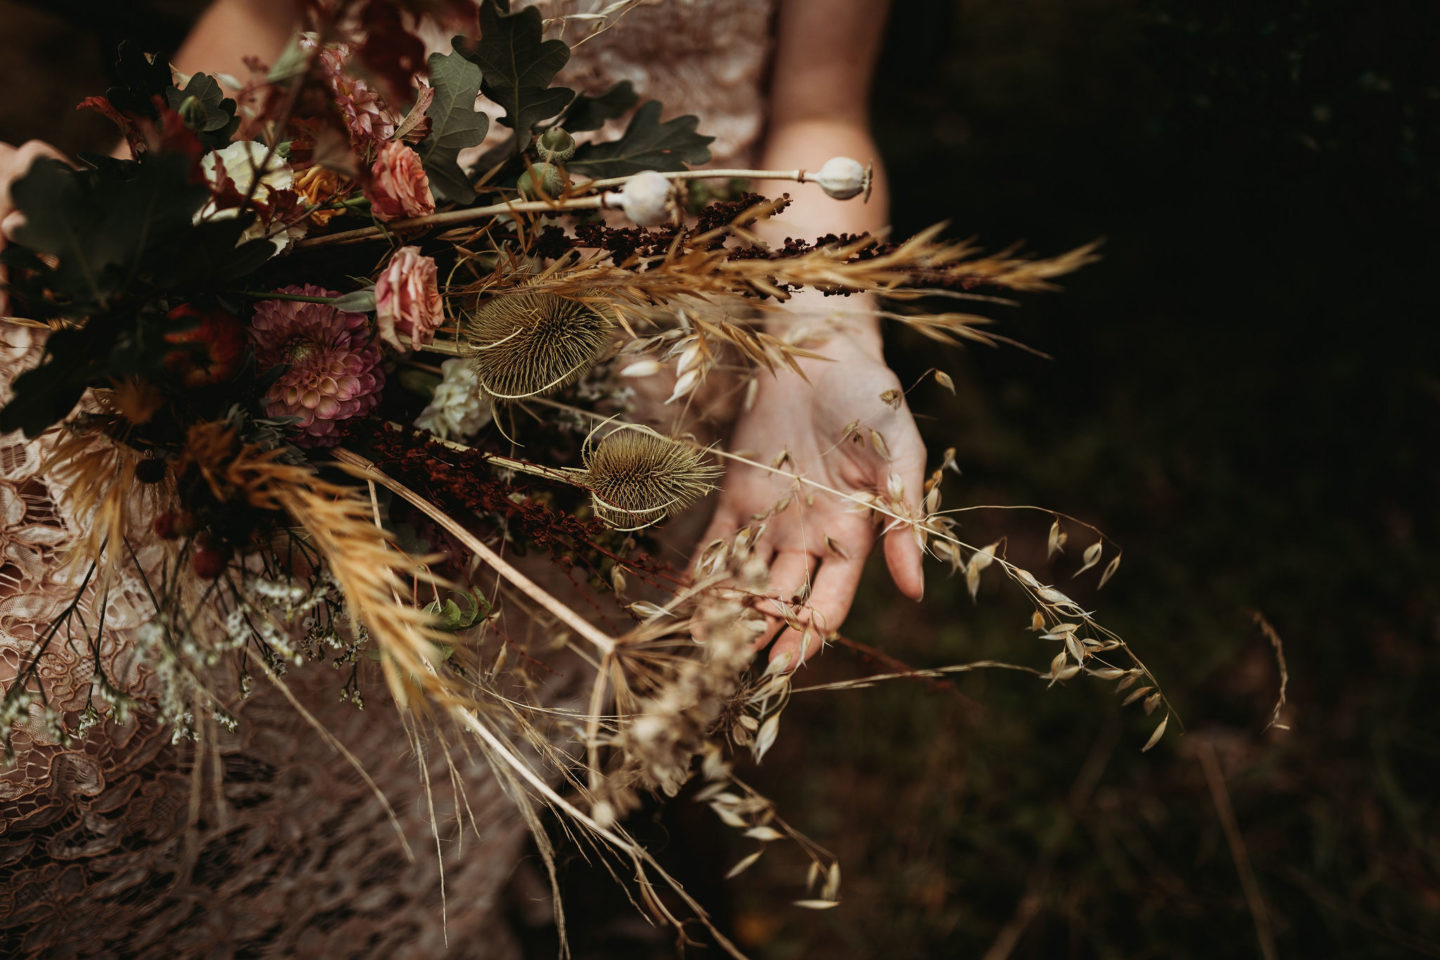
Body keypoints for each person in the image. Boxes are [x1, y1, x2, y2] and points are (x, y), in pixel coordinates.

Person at [0, 1, 924, 953]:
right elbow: (258, 18)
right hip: (285, 240)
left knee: (202, 755)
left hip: (591, 376)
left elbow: (821, 114)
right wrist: (131, 222)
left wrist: (822, 338)